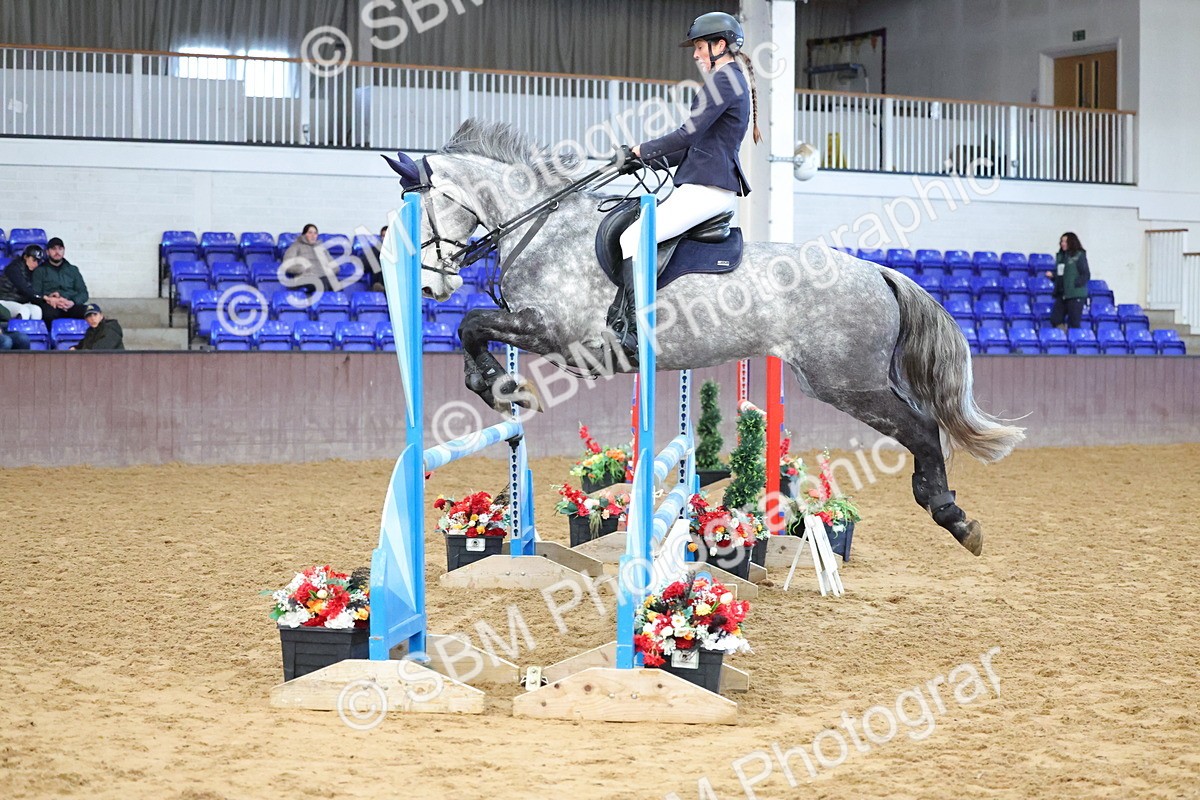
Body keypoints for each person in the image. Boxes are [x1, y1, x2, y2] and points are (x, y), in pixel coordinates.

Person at [609, 11, 761, 355]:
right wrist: (639, 162)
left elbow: (686, 134)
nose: (695, 54)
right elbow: (696, 146)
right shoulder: (733, 79)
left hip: (707, 189)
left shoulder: (725, 80)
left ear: (719, 45)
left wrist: (641, 149)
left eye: (699, 46)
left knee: (633, 238)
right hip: (709, 183)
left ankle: (634, 330)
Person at [34, 237, 91, 321]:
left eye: (60, 249)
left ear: (64, 251)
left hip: (70, 304)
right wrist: (50, 298)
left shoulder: (73, 270)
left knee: (90, 312)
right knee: (47, 314)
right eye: (53, 249)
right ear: (47, 252)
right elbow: (35, 293)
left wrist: (72, 302)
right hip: (51, 305)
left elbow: (83, 293)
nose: (57, 252)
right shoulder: (40, 271)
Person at [1048, 232, 1091, 329]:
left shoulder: (1079, 255)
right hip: (1062, 294)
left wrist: (1075, 284)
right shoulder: (1061, 257)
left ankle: (1073, 340)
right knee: (1055, 319)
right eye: (1062, 241)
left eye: (1065, 241)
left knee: (1074, 322)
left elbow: (1085, 274)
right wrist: (1053, 276)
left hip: (1075, 294)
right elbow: (1061, 274)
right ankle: (1065, 336)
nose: (1063, 243)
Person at [280, 223, 336, 293]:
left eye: (315, 233)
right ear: (304, 234)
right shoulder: (295, 247)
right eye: (310, 233)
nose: (313, 236)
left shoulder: (321, 248)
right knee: (322, 283)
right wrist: (301, 268)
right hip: (304, 279)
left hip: (323, 277)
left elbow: (334, 266)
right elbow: (287, 264)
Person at [0, 244, 50, 320]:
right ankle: (18, 331)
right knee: (24, 310)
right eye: (34, 260)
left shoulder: (32, 271)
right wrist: (44, 297)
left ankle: (34, 331)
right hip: (4, 301)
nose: (36, 264)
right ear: (25, 257)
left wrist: (48, 295)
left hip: (20, 302)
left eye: (38, 261)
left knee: (37, 310)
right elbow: (24, 288)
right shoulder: (14, 268)